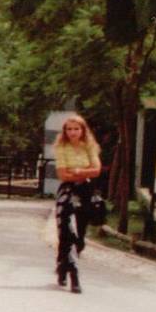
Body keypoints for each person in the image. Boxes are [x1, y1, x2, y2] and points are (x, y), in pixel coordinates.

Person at [53, 113, 102, 294]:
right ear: (65, 131)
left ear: (83, 130)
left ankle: (63, 265)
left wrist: (79, 171)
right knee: (66, 232)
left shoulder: (89, 147)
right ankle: (73, 274)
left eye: (76, 129)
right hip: (68, 190)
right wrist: (84, 173)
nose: (73, 132)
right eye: (69, 129)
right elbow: (62, 174)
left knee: (80, 236)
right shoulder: (61, 148)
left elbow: (97, 170)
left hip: (86, 191)